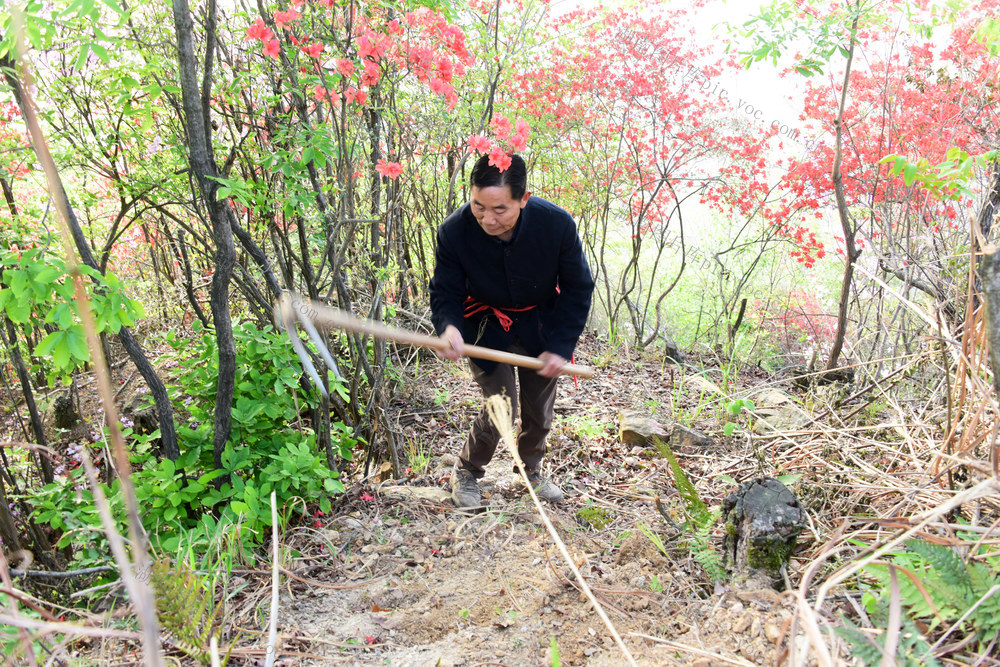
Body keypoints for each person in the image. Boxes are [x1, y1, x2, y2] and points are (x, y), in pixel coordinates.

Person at [429, 153, 594, 508]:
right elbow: (446, 291)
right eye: (478, 206)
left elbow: (579, 287)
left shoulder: (556, 225)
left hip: (541, 325)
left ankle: (530, 470)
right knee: (501, 405)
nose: (487, 219)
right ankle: (467, 470)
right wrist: (449, 327)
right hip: (484, 324)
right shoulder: (454, 231)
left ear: (524, 199)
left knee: (539, 408)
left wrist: (561, 346)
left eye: (500, 209)